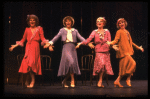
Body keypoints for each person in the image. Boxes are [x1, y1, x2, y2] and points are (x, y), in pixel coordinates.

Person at [44, 16, 93, 88]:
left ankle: (65, 80)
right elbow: (56, 37)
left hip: (73, 48)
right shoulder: (62, 30)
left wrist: (87, 42)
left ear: (72, 22)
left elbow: (81, 38)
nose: (68, 22)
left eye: (69, 21)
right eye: (66, 21)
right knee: (69, 63)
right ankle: (72, 80)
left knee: (71, 65)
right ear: (64, 23)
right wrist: (50, 43)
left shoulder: (75, 30)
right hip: (66, 47)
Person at [9, 14, 52, 88]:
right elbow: (23, 39)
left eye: (33, 20)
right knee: (27, 64)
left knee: (32, 63)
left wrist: (49, 44)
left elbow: (43, 38)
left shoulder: (39, 29)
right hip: (28, 47)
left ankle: (32, 80)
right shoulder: (27, 29)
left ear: (36, 21)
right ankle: (27, 80)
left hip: (35, 47)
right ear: (29, 22)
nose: (32, 21)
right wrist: (15, 46)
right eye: (30, 20)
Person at [76, 17, 119, 87]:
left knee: (105, 68)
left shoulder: (107, 31)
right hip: (98, 51)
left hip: (106, 51)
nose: (99, 22)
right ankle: (100, 80)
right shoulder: (94, 31)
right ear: (96, 24)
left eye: (101, 21)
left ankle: (100, 80)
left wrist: (112, 46)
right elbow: (88, 39)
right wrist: (81, 43)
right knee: (101, 65)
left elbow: (109, 41)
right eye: (97, 21)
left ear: (103, 23)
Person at [106, 18, 144, 87]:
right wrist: (110, 43)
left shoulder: (127, 32)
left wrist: (138, 47)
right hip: (123, 52)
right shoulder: (119, 32)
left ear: (125, 23)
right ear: (118, 25)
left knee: (123, 69)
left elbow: (131, 42)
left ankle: (118, 81)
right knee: (133, 64)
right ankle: (127, 79)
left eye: (122, 22)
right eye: (119, 23)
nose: (121, 24)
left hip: (128, 52)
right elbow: (116, 40)